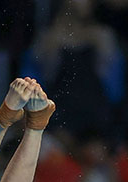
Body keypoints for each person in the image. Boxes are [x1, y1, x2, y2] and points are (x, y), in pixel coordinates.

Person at [35, 0, 116, 138]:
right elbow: (47, 75)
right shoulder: (49, 37)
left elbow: (108, 78)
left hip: (93, 109)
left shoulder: (102, 35)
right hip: (60, 109)